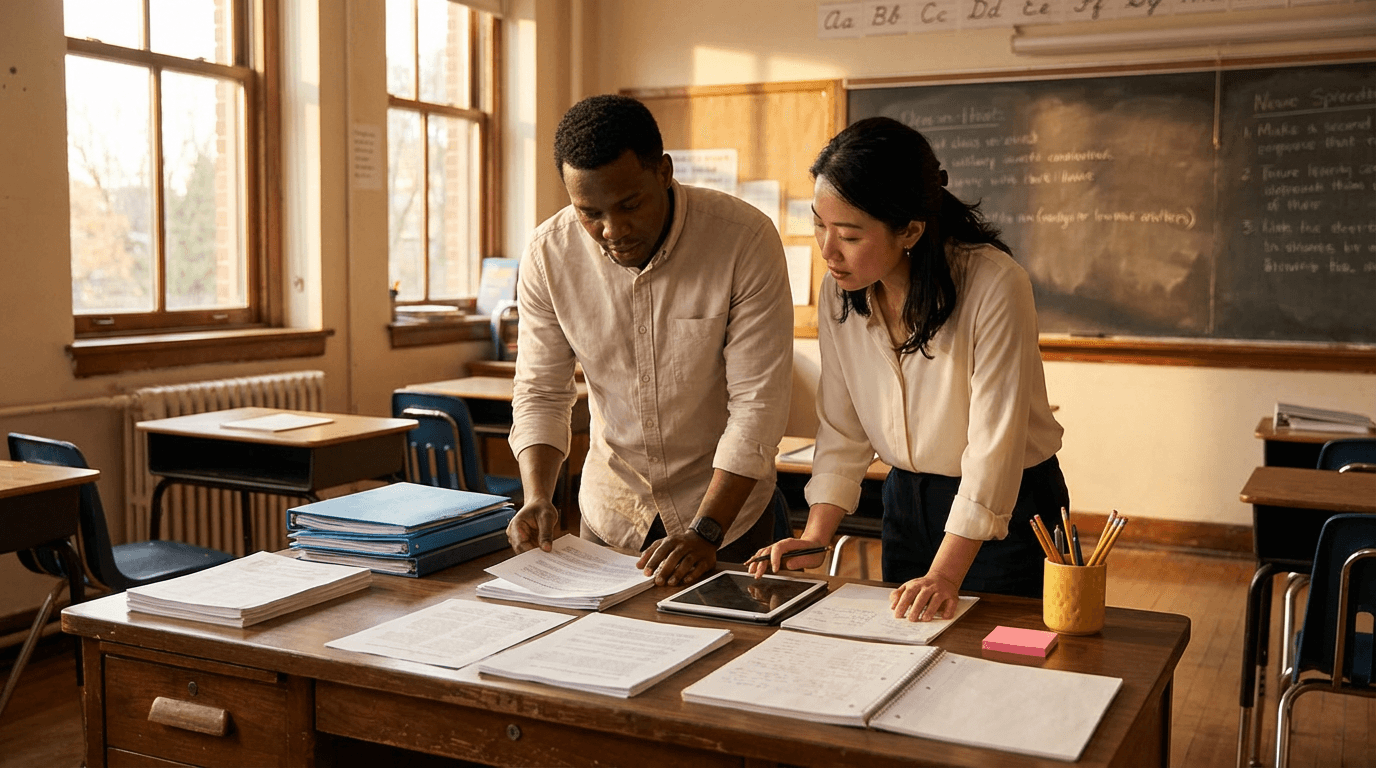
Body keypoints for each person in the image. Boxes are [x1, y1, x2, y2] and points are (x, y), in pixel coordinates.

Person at [748, 117, 1067, 621]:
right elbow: (843, 428)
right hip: (907, 501)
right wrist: (814, 537)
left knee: (1000, 662)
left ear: (910, 230)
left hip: (1009, 506)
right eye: (818, 225)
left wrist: (944, 573)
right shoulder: (842, 292)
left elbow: (993, 449)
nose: (828, 251)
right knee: (910, 656)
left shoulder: (994, 284)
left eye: (849, 235)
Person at [505, 94, 793, 588]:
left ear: (663, 171)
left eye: (629, 204)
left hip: (728, 518)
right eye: (589, 213)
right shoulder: (548, 254)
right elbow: (541, 391)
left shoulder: (743, 239)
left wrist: (707, 530)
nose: (612, 230)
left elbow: (757, 406)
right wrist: (539, 495)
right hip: (612, 513)